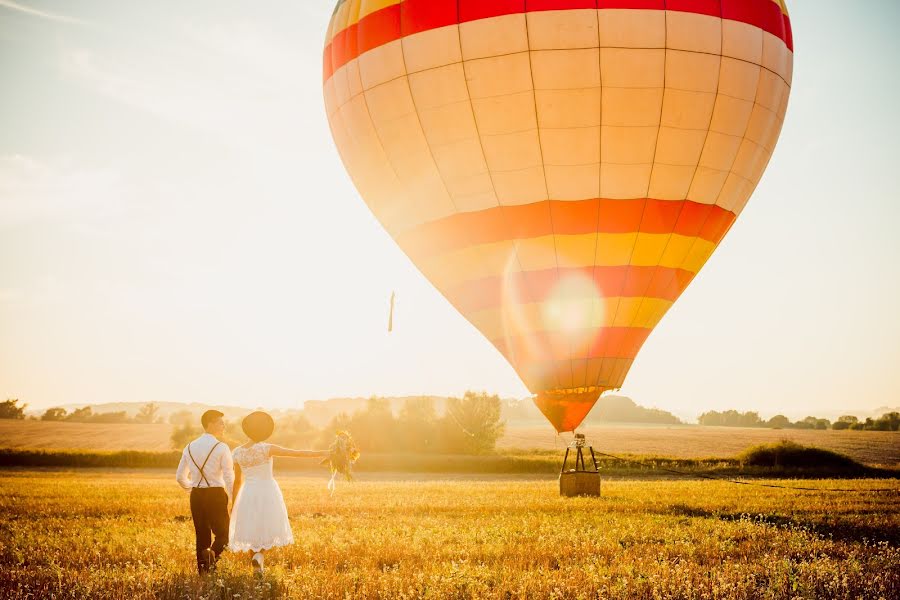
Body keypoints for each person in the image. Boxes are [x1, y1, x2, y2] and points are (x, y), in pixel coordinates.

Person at [229, 411, 328, 574]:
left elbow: (237, 480)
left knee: (252, 529)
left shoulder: (237, 452)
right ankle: (259, 557)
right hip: (267, 490)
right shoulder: (266, 448)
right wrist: (324, 453)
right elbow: (297, 453)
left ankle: (257, 562)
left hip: (247, 493)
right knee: (267, 527)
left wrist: (234, 503)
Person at [175, 409, 235, 574]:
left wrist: (192, 487)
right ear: (210, 423)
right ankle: (213, 554)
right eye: (221, 422)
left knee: (201, 535)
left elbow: (180, 477)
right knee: (224, 534)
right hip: (216, 493)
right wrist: (233, 498)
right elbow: (229, 477)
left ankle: (204, 572)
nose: (224, 425)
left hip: (196, 495)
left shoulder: (189, 447)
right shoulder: (222, 447)